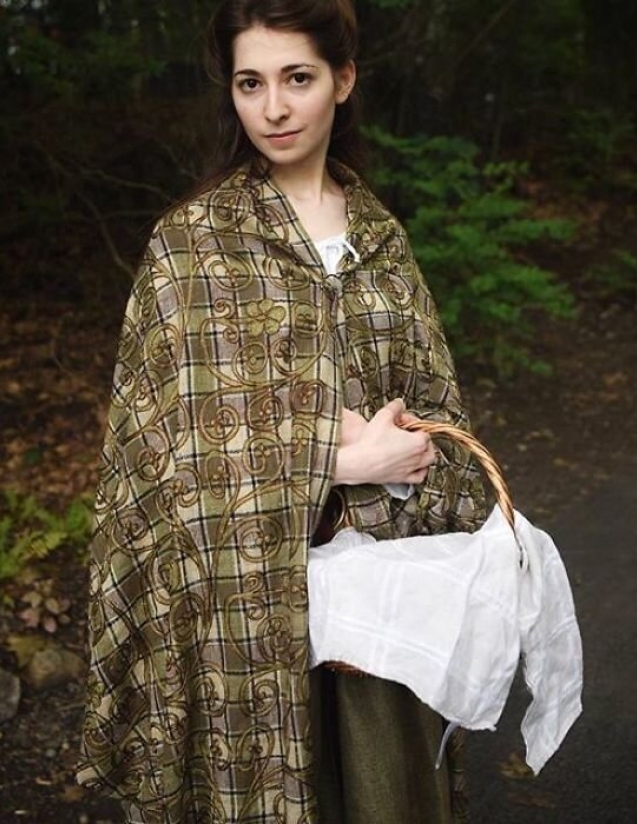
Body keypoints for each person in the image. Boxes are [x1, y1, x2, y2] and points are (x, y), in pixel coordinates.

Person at [77, 1, 486, 821]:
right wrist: (333, 460)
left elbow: (446, 427)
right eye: (249, 82)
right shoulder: (190, 245)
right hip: (237, 615)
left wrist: (402, 462)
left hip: (375, 604)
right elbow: (155, 463)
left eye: (296, 78)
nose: (272, 108)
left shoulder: (380, 241)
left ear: (342, 80)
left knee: (379, 795)